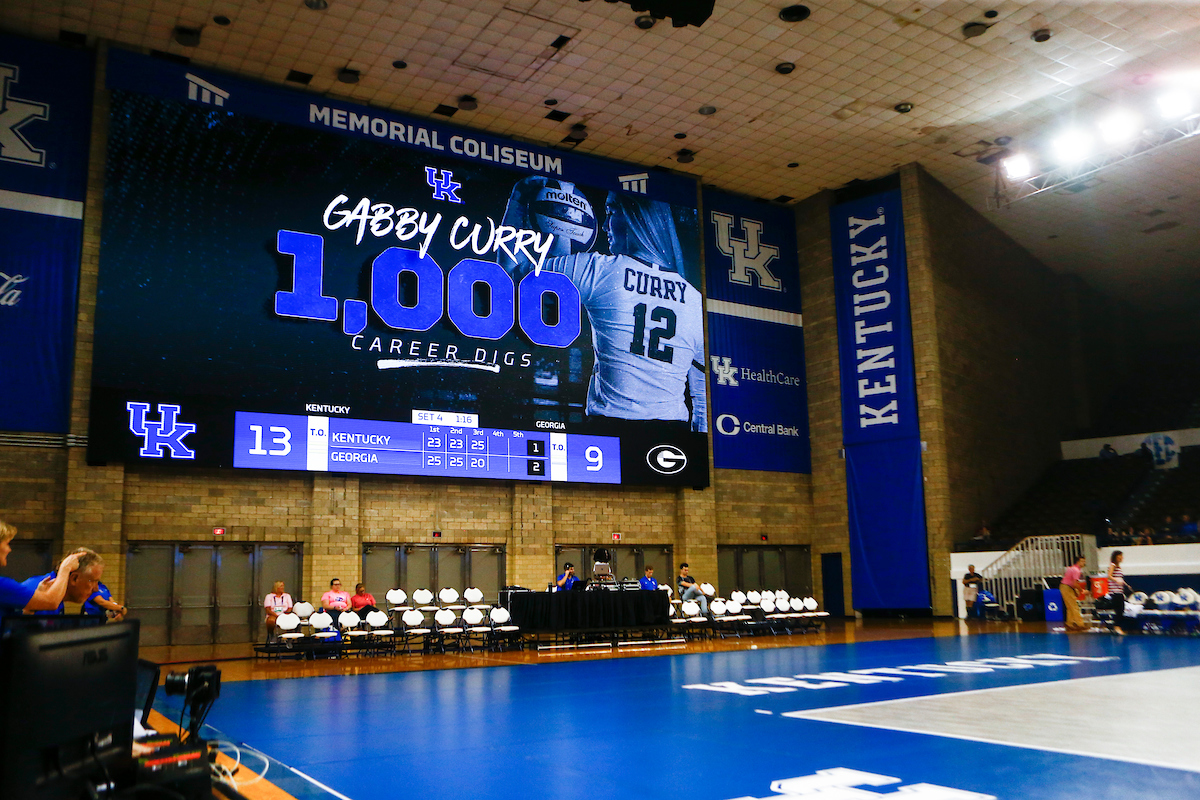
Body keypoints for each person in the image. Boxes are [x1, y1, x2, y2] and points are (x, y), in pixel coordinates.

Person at [503, 181, 707, 433]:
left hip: (611, 429)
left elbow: (509, 274)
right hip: (672, 437)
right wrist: (698, 449)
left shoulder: (599, 271)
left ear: (634, 218)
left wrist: (519, 197)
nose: (605, 225)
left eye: (611, 212)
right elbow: (704, 391)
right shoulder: (694, 299)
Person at [0, 521, 85, 614]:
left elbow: (16, 622)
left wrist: (34, 603)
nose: (9, 549)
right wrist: (65, 568)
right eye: (7, 543)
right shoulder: (2, 585)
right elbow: (52, 602)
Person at [18, 547, 105, 615]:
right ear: (74, 578)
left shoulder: (57, 598)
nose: (96, 589)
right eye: (93, 581)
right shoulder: (35, 591)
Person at [1060, 556, 1088, 632]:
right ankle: (1080, 624)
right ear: (1078, 562)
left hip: (1065, 587)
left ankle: (1069, 623)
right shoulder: (1076, 570)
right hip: (1067, 587)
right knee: (1074, 606)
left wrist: (1075, 590)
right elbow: (1075, 583)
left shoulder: (1072, 568)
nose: (1084, 563)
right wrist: (1081, 590)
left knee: (1070, 607)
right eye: (1082, 561)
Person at [1106, 550, 1131, 634]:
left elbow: (1119, 578)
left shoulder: (1119, 567)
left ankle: (1117, 626)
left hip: (1119, 590)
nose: (1121, 558)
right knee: (1119, 610)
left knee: (1121, 609)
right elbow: (1109, 576)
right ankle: (1117, 627)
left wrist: (1126, 585)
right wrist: (1116, 580)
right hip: (1114, 591)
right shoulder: (1112, 565)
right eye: (1120, 556)